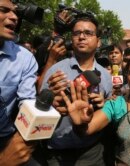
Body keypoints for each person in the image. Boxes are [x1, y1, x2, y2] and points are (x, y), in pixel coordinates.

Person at [36, 12, 112, 166]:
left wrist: (102, 105)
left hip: (92, 152)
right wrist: (52, 102)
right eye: (77, 33)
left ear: (98, 42)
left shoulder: (105, 76)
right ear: (72, 38)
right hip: (57, 151)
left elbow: (110, 109)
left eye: (88, 33)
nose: (82, 37)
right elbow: (39, 106)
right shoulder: (56, 71)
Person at [0, 0, 38, 165]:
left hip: (6, 137)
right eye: (4, 10)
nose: (14, 17)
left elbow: (27, 103)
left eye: (15, 12)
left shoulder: (25, 58)